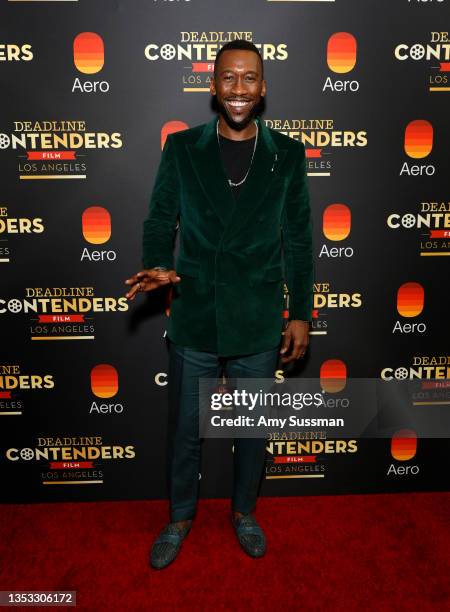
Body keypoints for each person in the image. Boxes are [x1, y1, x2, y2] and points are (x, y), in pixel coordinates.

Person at [125, 39, 314, 569]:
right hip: (196, 312)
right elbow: (161, 218)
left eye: (248, 78)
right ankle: (180, 516)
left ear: (263, 87)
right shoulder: (183, 148)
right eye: (227, 78)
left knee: (252, 427)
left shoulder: (288, 154)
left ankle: (244, 512)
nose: (238, 89)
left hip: (256, 316)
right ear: (212, 87)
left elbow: (299, 239)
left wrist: (300, 312)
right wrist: (159, 262)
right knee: (186, 428)